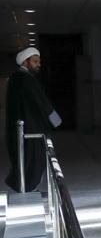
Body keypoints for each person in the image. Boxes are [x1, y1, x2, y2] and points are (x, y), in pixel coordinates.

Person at [5, 47, 61, 192]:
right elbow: (42, 102)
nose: (38, 65)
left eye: (39, 62)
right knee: (32, 160)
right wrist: (56, 120)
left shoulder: (17, 78)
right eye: (35, 62)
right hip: (29, 128)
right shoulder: (25, 79)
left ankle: (25, 186)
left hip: (21, 128)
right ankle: (27, 188)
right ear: (25, 62)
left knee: (25, 161)